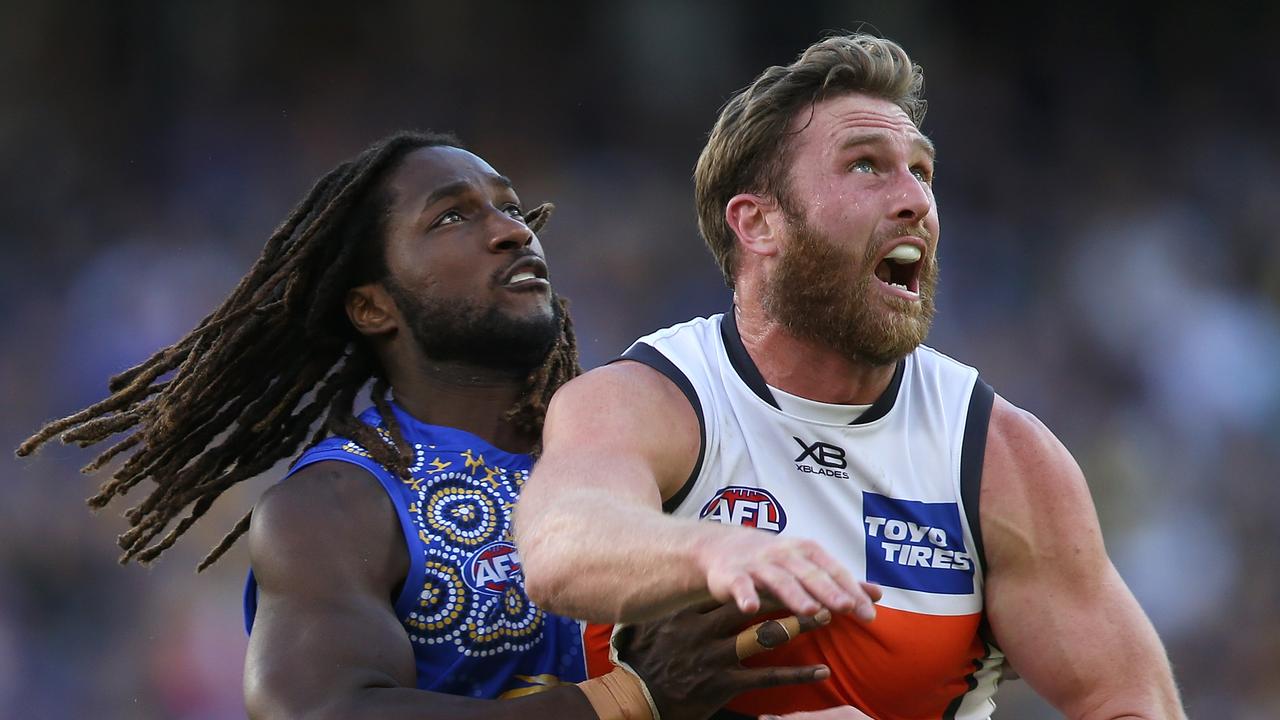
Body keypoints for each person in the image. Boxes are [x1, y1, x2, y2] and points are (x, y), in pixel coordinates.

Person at [17, 131, 835, 719]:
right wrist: (623, 701)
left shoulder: (657, 445)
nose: (512, 230)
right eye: (452, 217)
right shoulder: (336, 507)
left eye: (513, 210)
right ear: (372, 304)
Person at [515, 34, 1187, 720]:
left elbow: (1133, 703)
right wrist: (713, 550)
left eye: (922, 172)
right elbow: (560, 546)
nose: (914, 201)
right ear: (759, 223)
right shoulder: (655, 396)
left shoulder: (998, 456)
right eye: (866, 167)